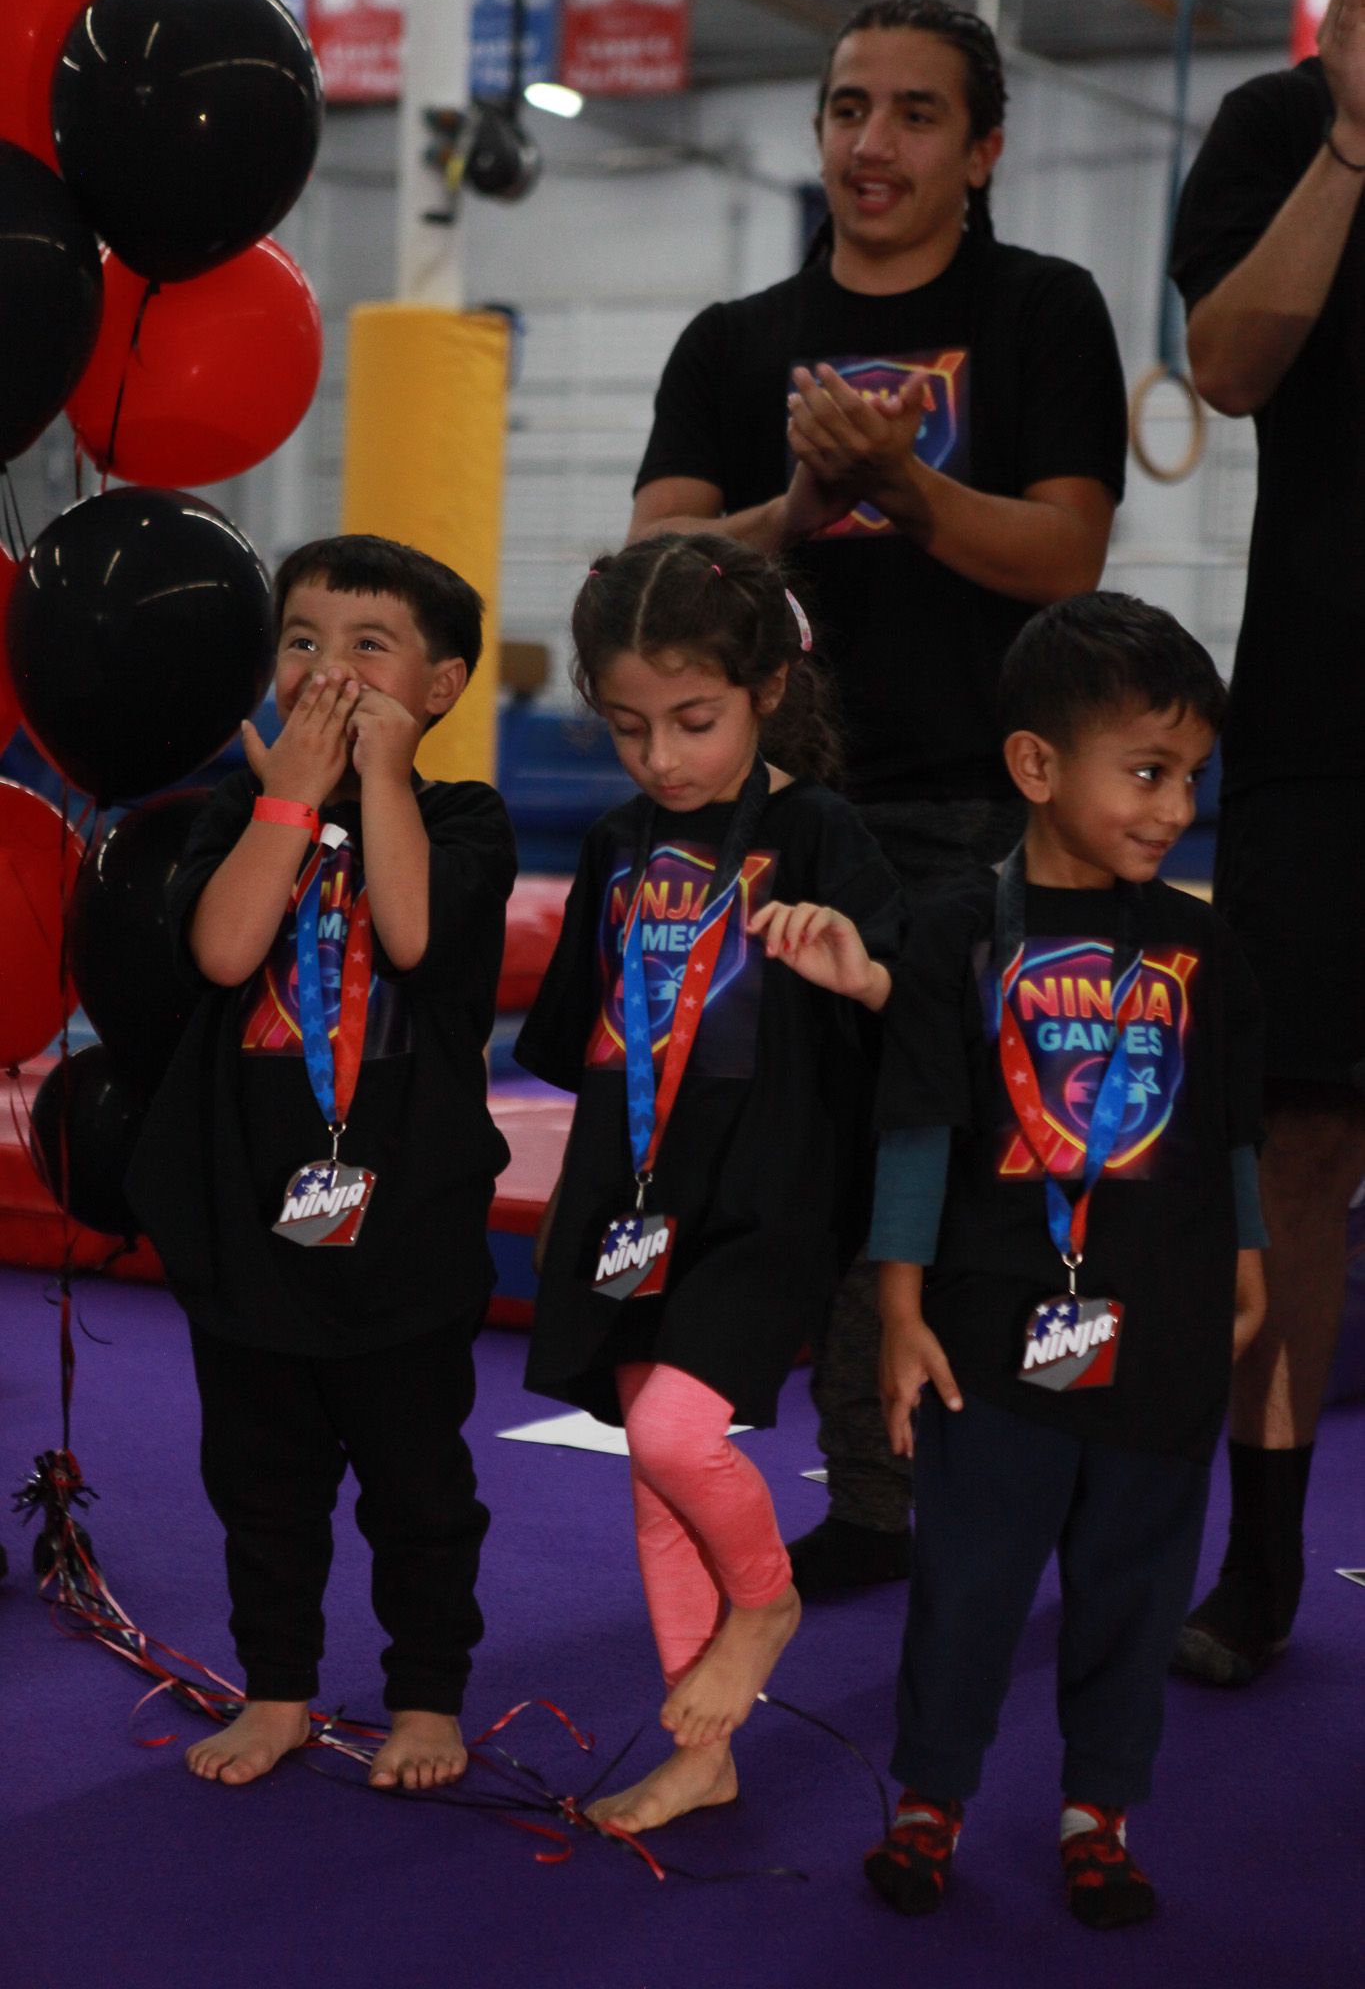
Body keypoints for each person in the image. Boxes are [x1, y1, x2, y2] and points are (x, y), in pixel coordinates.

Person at [630, 0, 1129, 1594]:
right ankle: (866, 1491)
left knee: (983, 1164)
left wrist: (903, 488)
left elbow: (1064, 552)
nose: (873, 141)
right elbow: (651, 567)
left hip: (995, 815)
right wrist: (800, 501)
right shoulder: (733, 342)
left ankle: (1004, 1481)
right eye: (850, 107)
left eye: (916, 114)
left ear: (982, 149)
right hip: (792, 819)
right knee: (806, 1160)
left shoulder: (1044, 311)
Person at [817, 594, 1265, 1927]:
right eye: (1143, 771)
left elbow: (1228, 1125)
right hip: (994, 1332)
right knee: (966, 1584)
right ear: (1035, 767)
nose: (1172, 805)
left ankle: (1097, 1812)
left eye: (1188, 776)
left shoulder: (1205, 945)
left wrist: (1244, 1259)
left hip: (1167, 1325)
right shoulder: (958, 933)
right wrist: (899, 1308)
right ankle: (928, 1799)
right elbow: (914, 1136)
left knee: (1135, 1588)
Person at [515, 532, 904, 1834]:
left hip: (769, 1191)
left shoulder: (818, 830)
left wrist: (853, 969)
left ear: (768, 691)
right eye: (629, 727)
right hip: (637, 1193)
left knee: (684, 1436)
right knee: (654, 1468)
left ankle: (766, 1604)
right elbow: (575, 1032)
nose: (661, 756)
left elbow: (902, 999)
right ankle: (705, 1746)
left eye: (694, 720)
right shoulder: (623, 838)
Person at [127, 534, 516, 1791]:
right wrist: (289, 801)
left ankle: (425, 1698)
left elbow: (405, 929)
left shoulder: (466, 816)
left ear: (443, 683)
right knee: (262, 1484)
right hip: (252, 1220)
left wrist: (380, 776)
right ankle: (279, 1688)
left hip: (407, 1225)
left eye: (367, 646)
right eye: (302, 641)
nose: (328, 670)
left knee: (419, 1489)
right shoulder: (242, 813)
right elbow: (232, 950)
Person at [1167, 0, 1365, 1685]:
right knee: (1300, 1150)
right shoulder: (1277, 125)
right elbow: (1225, 367)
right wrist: (1356, 146)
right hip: (1327, 720)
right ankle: (1268, 1552)